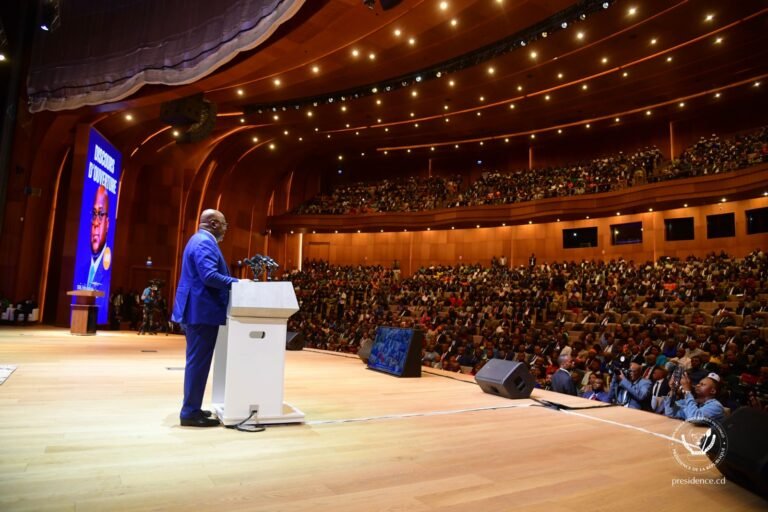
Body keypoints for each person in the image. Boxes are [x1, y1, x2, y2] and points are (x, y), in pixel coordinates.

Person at [172, 209, 238, 427]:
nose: (226, 228)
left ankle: (193, 408)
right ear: (213, 223)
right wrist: (239, 284)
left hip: (198, 311)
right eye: (224, 224)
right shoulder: (204, 242)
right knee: (197, 364)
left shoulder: (198, 240)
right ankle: (189, 413)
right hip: (200, 312)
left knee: (198, 364)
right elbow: (209, 276)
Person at [87, 185, 110, 290]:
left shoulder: (108, 272)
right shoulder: (81, 270)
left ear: (107, 224)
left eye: (101, 214)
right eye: (94, 214)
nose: (95, 223)